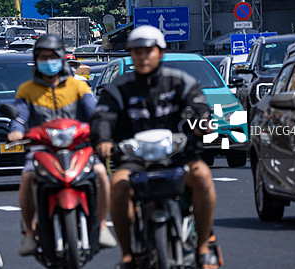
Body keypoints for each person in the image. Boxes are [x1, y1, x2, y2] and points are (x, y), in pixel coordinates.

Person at [90, 26, 218, 269]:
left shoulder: (182, 82)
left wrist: (203, 124)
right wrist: (104, 141)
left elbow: (200, 108)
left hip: (179, 157)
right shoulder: (118, 88)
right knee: (118, 185)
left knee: (202, 175)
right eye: (136, 52)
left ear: (161, 53)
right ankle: (127, 254)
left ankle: (203, 247)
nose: (142, 56)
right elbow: (103, 118)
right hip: (134, 161)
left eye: (148, 51)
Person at [7, 34, 116, 256]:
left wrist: (102, 128)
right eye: (43, 57)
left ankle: (103, 225)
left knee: (101, 173)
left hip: (78, 148)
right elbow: (19, 117)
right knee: (28, 177)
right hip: (42, 150)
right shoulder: (26, 90)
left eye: (52, 57)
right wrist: (16, 132)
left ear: (61, 58)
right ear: (36, 61)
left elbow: (94, 112)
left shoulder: (78, 86)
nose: (48, 62)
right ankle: (29, 232)